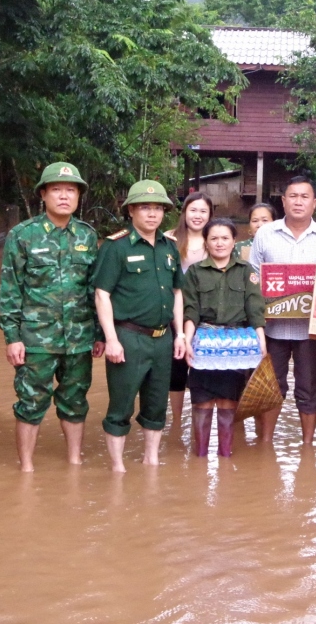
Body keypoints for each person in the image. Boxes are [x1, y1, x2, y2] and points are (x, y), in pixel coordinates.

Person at [0, 162, 103, 472]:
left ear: (79, 197)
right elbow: (10, 290)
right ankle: (27, 467)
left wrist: (98, 333)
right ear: (43, 194)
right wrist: (12, 338)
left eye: (71, 190)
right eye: (56, 189)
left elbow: (94, 290)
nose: (64, 196)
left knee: (75, 401)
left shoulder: (87, 235)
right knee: (31, 402)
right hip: (36, 339)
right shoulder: (23, 235)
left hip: (79, 338)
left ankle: (74, 461)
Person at [93, 180, 185, 471]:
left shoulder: (170, 247)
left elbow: (177, 293)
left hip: (163, 338)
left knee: (157, 404)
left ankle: (151, 459)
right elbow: (101, 294)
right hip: (128, 336)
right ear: (131, 210)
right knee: (121, 403)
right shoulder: (115, 246)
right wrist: (111, 339)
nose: (152, 214)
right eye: (145, 207)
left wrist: (180, 333)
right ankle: (118, 466)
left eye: (158, 208)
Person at [249, 175, 316, 445]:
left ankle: (307, 446)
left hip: (310, 332)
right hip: (272, 329)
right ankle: (266, 442)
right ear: (283, 201)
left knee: (310, 388)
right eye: (293, 196)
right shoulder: (265, 235)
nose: (298, 202)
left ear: (315, 203)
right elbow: (253, 279)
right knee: (270, 387)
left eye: (305, 197)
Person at [183, 218, 267, 457]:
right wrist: (188, 342)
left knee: (229, 402)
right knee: (202, 402)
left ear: (234, 242)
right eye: (214, 238)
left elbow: (255, 310)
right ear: (206, 243)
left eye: (225, 238)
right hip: (204, 345)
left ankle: (225, 456)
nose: (220, 243)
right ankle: (199, 458)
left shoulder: (246, 272)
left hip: (236, 347)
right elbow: (190, 310)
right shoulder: (195, 272)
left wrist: (261, 343)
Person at [164, 192, 212, 426]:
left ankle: (198, 422)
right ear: (184, 213)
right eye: (193, 210)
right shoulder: (168, 239)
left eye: (203, 211)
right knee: (176, 368)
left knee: (202, 369)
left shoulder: (214, 240)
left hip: (205, 314)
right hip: (174, 313)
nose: (198, 215)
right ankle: (175, 422)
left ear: (210, 215)